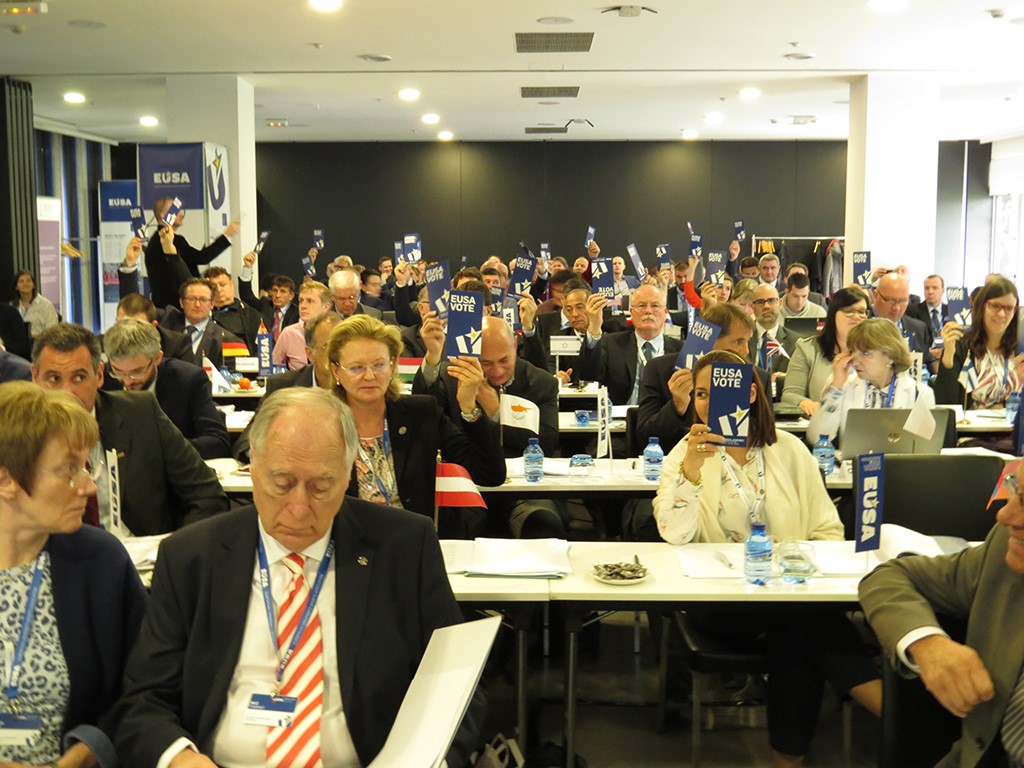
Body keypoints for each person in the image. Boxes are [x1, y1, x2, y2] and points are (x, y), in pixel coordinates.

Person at [114, 387, 485, 767]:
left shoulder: (403, 547)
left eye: (321, 486)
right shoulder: (191, 557)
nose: (299, 507)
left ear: (348, 473)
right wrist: (182, 759)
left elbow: (457, 689)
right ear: (253, 464)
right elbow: (144, 700)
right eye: (282, 482)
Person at [654, 350, 880, 767]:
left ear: (751, 393)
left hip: (789, 590)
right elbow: (674, 533)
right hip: (720, 600)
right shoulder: (683, 455)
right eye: (701, 394)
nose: (708, 402)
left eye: (719, 391)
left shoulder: (789, 450)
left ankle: (787, 760)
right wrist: (690, 471)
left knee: (794, 633)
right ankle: (891, 707)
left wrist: (795, 564)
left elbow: (826, 530)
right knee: (805, 622)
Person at [0, 382, 147, 768]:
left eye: (86, 466)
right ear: (6, 479)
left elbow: (146, 687)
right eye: (69, 469)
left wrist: (90, 749)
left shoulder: (100, 563)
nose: (88, 486)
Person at [859, 459, 1024, 768]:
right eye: (1014, 491)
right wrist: (928, 644)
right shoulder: (1005, 550)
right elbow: (890, 578)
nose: (1004, 515)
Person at [32, 323, 229, 536]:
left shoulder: (141, 414)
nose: (66, 392)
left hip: (141, 549)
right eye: (54, 379)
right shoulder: (19, 435)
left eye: (79, 377)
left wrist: (175, 550)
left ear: (99, 376)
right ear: (34, 377)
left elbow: (207, 495)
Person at [327, 315, 505, 532]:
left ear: (392, 366)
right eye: (357, 368)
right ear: (336, 371)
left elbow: (490, 475)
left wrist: (468, 407)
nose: (370, 376)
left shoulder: (421, 413)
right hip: (350, 541)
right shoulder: (323, 424)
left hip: (415, 540)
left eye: (379, 364)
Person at [416, 315, 562, 537]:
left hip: (522, 491)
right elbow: (423, 419)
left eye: (504, 360)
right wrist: (433, 358)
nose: (497, 371)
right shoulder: (452, 377)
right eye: (486, 363)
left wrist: (497, 413)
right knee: (452, 527)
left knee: (542, 522)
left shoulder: (541, 382)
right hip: (467, 485)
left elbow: (548, 442)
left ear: (515, 345)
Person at [103, 318, 230, 459]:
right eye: (118, 371)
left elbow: (218, 441)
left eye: (137, 371)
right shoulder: (103, 380)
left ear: (158, 358)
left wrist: (161, 450)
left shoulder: (187, 379)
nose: (127, 381)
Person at [806, 317, 935, 447]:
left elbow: (926, 447)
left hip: (899, 459)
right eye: (853, 352)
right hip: (854, 459)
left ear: (891, 356)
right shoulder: (844, 385)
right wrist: (836, 385)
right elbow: (816, 438)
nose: (855, 361)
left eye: (866, 353)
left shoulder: (919, 393)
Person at [233, 313, 344, 463]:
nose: (339, 353)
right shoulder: (283, 386)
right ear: (310, 354)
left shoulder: (359, 386)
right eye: (330, 346)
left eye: (343, 345)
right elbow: (247, 441)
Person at [579, 283, 683, 405]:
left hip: (663, 415)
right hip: (621, 415)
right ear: (632, 313)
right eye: (641, 305)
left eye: (655, 306)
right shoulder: (611, 344)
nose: (648, 311)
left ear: (665, 313)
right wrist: (594, 328)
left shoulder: (680, 351)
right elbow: (588, 375)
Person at [933, 276, 1024, 412]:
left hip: (1010, 425)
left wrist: (1004, 405)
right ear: (982, 306)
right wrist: (948, 356)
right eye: (995, 306)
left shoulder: (1019, 349)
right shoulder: (962, 345)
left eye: (1009, 308)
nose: (1001, 314)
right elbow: (946, 404)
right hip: (969, 425)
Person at [781, 287, 868, 417]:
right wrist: (806, 403)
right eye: (849, 311)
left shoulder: (875, 352)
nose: (856, 317)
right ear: (833, 315)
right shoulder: (808, 349)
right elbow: (790, 394)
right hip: (822, 422)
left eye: (861, 312)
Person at [143, 197, 240, 309]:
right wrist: (226, 235)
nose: (181, 214)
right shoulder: (172, 241)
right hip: (178, 307)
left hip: (164, 306)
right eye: (175, 210)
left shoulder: (154, 242)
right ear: (163, 215)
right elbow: (202, 258)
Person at [162, 278, 248, 369]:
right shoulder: (166, 330)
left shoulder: (228, 340)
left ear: (212, 304)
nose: (197, 305)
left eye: (203, 300)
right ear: (181, 303)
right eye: (191, 299)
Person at [116, 291, 197, 365]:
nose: (128, 331)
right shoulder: (113, 342)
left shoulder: (178, 344)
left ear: (153, 326)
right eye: (122, 324)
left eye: (137, 326)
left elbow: (188, 375)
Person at [272, 280, 333, 370]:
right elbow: (272, 367)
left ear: (326, 307)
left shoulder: (336, 332)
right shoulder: (289, 333)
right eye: (301, 301)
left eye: (309, 301)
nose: (303, 306)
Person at [872, 271, 933, 360]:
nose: (896, 308)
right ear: (875, 296)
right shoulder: (859, 327)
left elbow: (928, 361)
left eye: (903, 301)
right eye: (890, 301)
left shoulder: (918, 328)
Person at [240, 252, 299, 341]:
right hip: (263, 348)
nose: (277, 295)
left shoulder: (297, 313)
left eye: (283, 291)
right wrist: (247, 267)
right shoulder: (265, 304)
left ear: (291, 296)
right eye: (275, 290)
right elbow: (246, 295)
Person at [205, 265, 263, 352]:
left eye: (222, 285)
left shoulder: (252, 315)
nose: (219, 290)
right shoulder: (203, 315)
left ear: (231, 285)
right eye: (213, 287)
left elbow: (264, 348)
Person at [11, 270, 58, 337]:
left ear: (33, 285)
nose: (25, 284)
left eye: (28, 281)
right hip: (17, 343)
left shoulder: (46, 305)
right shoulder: (11, 306)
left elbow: (52, 331)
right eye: (21, 281)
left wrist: (31, 336)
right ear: (16, 287)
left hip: (41, 342)